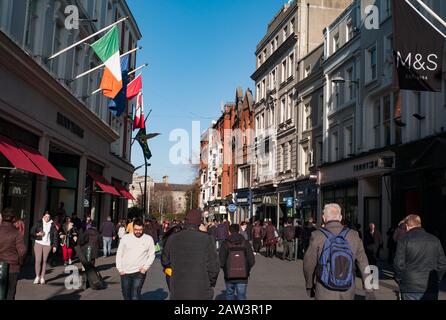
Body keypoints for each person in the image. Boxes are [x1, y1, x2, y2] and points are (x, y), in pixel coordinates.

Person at [303, 203, 375, 300]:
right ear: (340, 218)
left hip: (324, 290)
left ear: (324, 218)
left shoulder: (317, 235)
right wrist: (369, 289)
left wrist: (309, 285)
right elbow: (363, 263)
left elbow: (309, 264)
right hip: (348, 290)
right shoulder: (354, 235)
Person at [161, 209, 220, 300]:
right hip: (201, 288)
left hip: (178, 288)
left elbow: (165, 260)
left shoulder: (173, 238)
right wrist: (211, 282)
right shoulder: (207, 239)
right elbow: (213, 266)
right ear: (199, 223)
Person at [394, 214, 446, 300]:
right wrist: (436, 279)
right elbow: (442, 264)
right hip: (430, 286)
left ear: (407, 226)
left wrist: (400, 279)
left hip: (410, 286)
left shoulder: (404, 240)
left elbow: (398, 264)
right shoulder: (434, 240)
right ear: (420, 224)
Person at [116, 218, 156, 300]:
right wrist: (119, 268)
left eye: (140, 230)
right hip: (125, 272)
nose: (138, 231)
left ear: (143, 228)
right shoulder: (125, 238)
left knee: (135, 295)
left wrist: (145, 268)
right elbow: (119, 253)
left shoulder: (148, 239)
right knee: (126, 294)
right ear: (132, 228)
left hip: (139, 272)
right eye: (136, 229)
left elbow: (152, 254)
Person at [219, 224, 255, 300]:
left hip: (229, 276)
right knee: (241, 295)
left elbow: (221, 261)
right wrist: (246, 269)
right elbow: (252, 260)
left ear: (229, 231)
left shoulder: (225, 243)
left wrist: (226, 269)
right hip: (242, 276)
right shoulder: (245, 243)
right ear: (239, 231)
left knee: (229, 294)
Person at [0, 208, 27, 300]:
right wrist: (20, 261)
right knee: (10, 292)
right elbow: (22, 251)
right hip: (12, 266)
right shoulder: (16, 233)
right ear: (13, 219)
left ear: (2, 217)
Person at [30, 211, 59, 284]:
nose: (47, 218)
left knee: (44, 261)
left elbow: (55, 236)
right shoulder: (38, 222)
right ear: (43, 216)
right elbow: (32, 232)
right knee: (38, 260)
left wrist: (55, 246)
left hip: (47, 244)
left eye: (48, 217)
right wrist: (38, 234)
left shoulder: (52, 224)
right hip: (38, 243)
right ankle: (37, 276)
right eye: (46, 216)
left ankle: (42, 277)